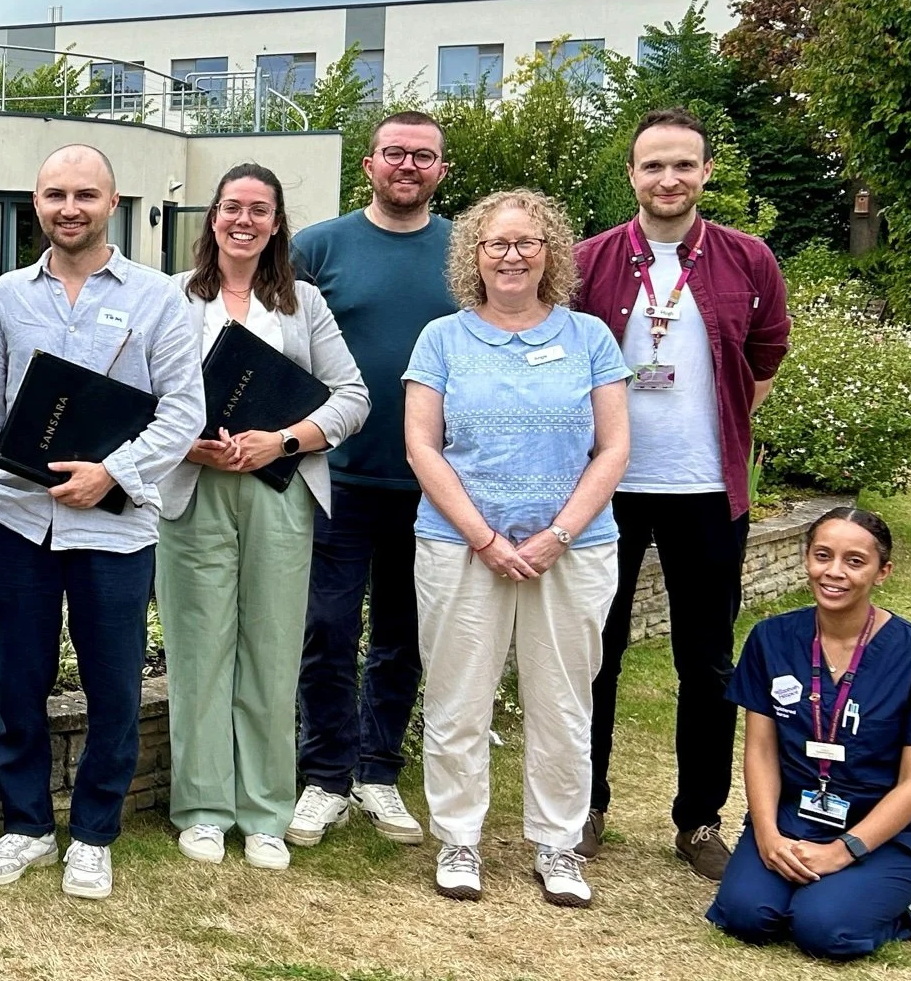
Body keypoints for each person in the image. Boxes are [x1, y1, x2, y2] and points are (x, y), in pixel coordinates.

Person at [0, 146, 202, 900]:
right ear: (36, 202)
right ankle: (27, 826)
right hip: (17, 521)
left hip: (114, 528)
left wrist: (112, 474)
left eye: (86, 195)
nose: (70, 208)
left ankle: (95, 833)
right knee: (17, 679)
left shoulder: (159, 298)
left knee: (114, 685)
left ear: (112, 203)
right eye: (56, 194)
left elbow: (183, 412)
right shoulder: (6, 296)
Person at [574, 107, 792, 880]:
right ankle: (584, 804)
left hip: (706, 489)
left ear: (705, 172)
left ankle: (699, 818)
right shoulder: (590, 260)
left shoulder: (749, 258)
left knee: (706, 663)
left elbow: (766, 354)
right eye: (653, 165)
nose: (668, 179)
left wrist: (715, 427)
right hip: (606, 487)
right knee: (594, 652)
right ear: (631, 174)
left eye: (683, 165)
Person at [405, 189, 630, 908]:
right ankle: (458, 838)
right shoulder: (442, 338)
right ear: (474, 255)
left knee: (563, 701)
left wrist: (557, 535)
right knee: (457, 699)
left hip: (573, 550)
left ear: (550, 252)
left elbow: (614, 448)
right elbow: (422, 446)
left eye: (526, 242)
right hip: (461, 547)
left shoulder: (590, 337)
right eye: (496, 243)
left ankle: (558, 844)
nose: (511, 256)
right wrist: (485, 537)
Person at [159, 164, 369, 871]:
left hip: (279, 488)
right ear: (212, 217)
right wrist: (186, 443)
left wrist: (282, 441)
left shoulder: (303, 303)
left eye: (258, 210)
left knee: (273, 650)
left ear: (277, 224)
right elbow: (143, 390)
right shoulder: (172, 297)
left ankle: (265, 811)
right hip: (194, 488)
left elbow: (352, 397)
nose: (243, 220)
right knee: (198, 649)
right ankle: (202, 809)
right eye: (231, 207)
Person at [284, 109, 456, 849]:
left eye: (423, 155)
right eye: (394, 152)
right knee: (325, 628)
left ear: (440, 170)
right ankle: (324, 776)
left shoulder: (465, 249)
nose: (407, 165)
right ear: (369, 164)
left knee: (403, 635)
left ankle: (377, 771)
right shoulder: (319, 246)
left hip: (434, 482)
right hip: (337, 476)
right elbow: (280, 344)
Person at [708, 508, 911, 959]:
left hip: (882, 834)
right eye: (823, 555)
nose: (834, 572)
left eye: (855, 561)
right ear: (807, 558)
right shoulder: (771, 639)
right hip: (792, 820)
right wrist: (767, 834)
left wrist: (843, 852)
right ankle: (824, 887)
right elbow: (761, 751)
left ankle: (901, 902)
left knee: (824, 929)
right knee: (747, 916)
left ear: (882, 572)